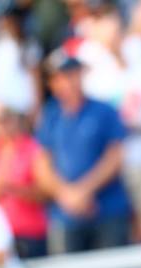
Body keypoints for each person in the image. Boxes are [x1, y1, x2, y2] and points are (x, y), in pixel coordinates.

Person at [35, 47, 131, 254]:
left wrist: (83, 191)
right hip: (66, 214)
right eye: (61, 77)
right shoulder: (50, 117)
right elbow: (42, 164)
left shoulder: (103, 110)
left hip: (107, 208)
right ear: (52, 83)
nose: (68, 82)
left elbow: (115, 156)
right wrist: (66, 194)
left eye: (72, 75)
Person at [0, 101, 48, 258]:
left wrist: (14, 189)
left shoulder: (33, 149)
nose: (0, 128)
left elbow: (46, 192)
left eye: (4, 120)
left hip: (30, 234)